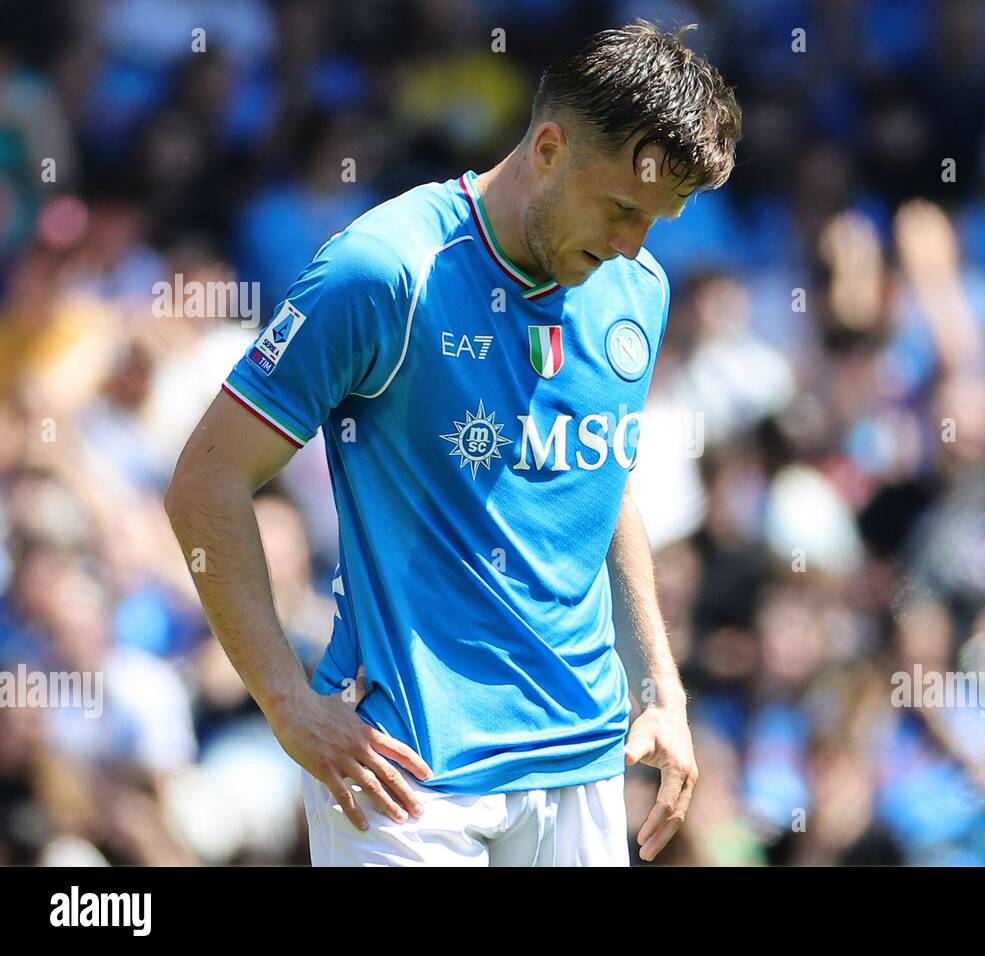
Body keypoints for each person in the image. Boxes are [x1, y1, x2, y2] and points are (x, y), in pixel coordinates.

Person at [163, 21, 741, 866]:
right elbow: (204, 485)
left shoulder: (637, 289)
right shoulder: (385, 270)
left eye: (656, 221)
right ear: (548, 146)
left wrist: (661, 685)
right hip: (404, 772)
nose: (632, 245)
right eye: (623, 208)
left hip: (582, 763)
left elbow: (600, 480)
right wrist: (285, 701)